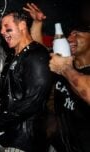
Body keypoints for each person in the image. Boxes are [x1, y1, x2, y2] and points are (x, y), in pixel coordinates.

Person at [0, 11, 53, 152]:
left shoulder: (37, 55)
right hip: (9, 136)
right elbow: (10, 90)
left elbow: (34, 100)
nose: (2, 32)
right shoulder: (14, 57)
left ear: (22, 26)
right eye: (1, 28)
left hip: (25, 141)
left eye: (7, 27)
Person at [49, 22, 90, 152]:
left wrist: (65, 69)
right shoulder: (64, 64)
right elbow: (36, 47)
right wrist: (38, 22)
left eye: (77, 34)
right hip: (62, 146)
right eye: (70, 35)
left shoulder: (65, 68)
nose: (70, 39)